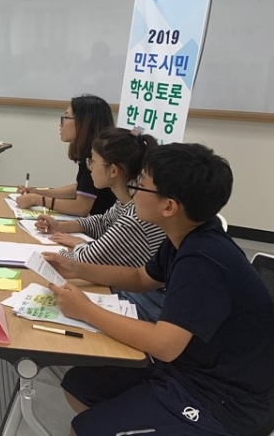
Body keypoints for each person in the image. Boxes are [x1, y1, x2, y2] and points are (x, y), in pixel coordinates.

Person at [44, 143, 274, 436]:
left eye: (141, 184)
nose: (134, 191)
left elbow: (165, 345)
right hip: (189, 368)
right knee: (80, 386)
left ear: (169, 207)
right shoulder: (186, 235)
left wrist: (86, 310)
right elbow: (142, 278)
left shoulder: (203, 261)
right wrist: (76, 269)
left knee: (84, 429)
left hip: (225, 401)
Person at [35, 126, 167, 320]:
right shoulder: (127, 200)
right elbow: (103, 222)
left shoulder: (135, 218)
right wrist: (61, 227)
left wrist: (77, 244)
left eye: (93, 161)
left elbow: (84, 261)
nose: (90, 167)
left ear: (113, 170)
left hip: (143, 303)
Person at [17, 94, 115, 217]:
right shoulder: (91, 153)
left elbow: (81, 207)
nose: (61, 124)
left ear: (83, 123)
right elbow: (82, 189)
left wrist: (37, 200)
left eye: (66, 117)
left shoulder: (95, 158)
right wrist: (39, 192)